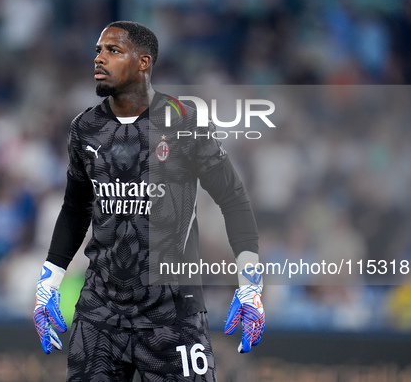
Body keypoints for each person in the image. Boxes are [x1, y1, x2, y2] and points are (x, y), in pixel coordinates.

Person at [33, 21, 264, 381]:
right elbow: (76, 208)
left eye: (113, 51)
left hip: (172, 314)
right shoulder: (85, 128)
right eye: (98, 50)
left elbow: (233, 199)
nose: (99, 58)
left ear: (143, 62)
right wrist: (48, 283)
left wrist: (250, 284)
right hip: (100, 314)